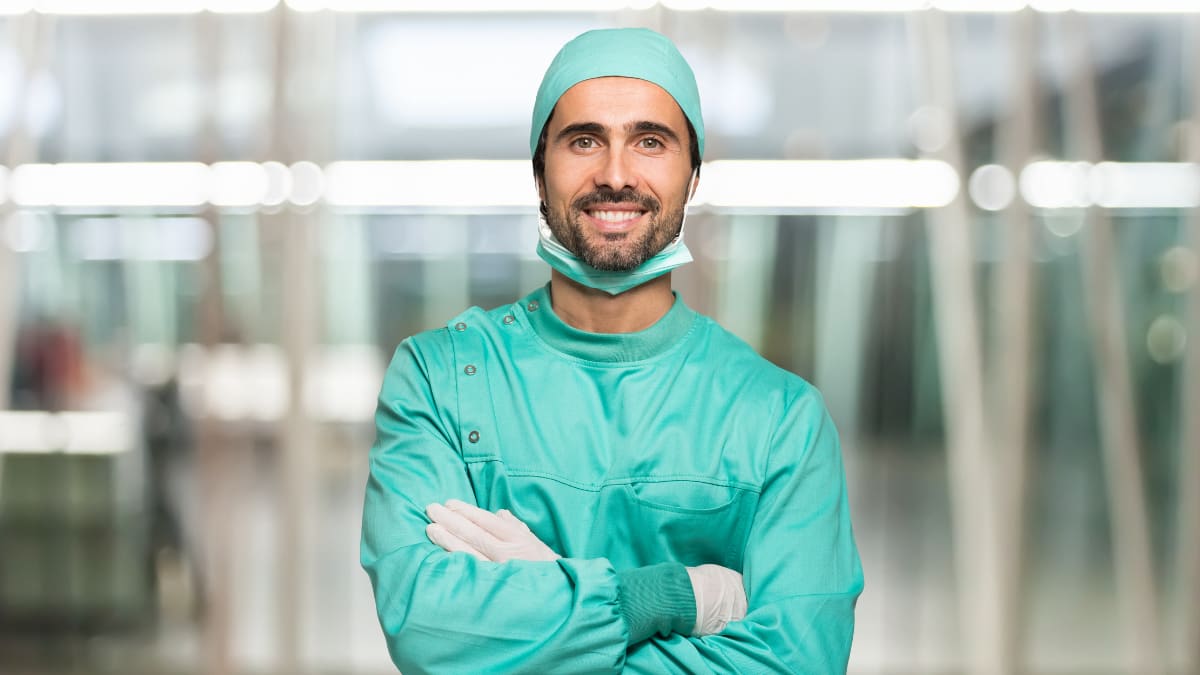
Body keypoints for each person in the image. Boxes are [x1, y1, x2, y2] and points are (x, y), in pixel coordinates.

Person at [361, 27, 863, 673]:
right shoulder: (439, 379)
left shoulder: (781, 419)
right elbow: (429, 627)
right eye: (584, 140)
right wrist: (663, 596)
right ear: (540, 170)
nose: (616, 174)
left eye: (650, 141)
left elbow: (799, 661)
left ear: (694, 172)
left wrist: (541, 619)